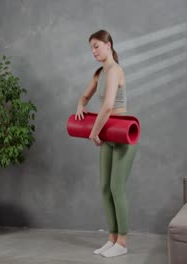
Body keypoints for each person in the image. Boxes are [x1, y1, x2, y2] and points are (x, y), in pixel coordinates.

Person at [75, 29, 138, 258]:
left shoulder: (114, 71)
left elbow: (109, 106)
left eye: (96, 46)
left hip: (123, 134)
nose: (93, 51)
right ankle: (111, 239)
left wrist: (94, 131)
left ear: (108, 45)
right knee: (104, 189)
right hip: (108, 134)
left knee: (116, 188)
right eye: (91, 47)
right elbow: (84, 96)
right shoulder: (99, 73)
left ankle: (122, 243)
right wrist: (81, 105)